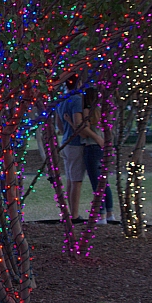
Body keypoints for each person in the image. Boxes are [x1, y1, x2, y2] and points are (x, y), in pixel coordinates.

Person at [80, 88, 115, 224]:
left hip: (91, 146)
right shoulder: (101, 112)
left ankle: (101, 215)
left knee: (97, 183)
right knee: (104, 182)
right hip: (101, 148)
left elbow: (84, 129)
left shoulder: (87, 111)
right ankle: (110, 213)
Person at [56, 75, 86, 221]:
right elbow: (78, 123)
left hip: (65, 142)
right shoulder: (77, 100)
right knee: (76, 181)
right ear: (78, 83)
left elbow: (59, 124)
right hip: (75, 144)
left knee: (69, 179)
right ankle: (74, 214)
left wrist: (65, 132)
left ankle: (69, 211)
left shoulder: (62, 101)